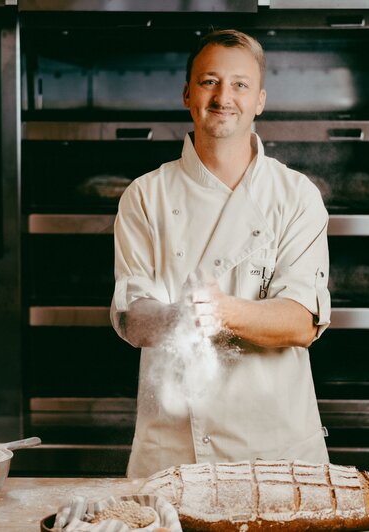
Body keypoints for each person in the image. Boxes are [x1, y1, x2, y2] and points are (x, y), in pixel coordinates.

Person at [110, 29, 332, 478]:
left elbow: (301, 322)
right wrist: (180, 318)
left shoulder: (295, 196)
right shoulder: (146, 196)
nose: (223, 96)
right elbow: (133, 317)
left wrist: (220, 312)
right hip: (175, 449)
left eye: (240, 84)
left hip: (277, 450)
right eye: (209, 81)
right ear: (187, 93)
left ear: (260, 101)